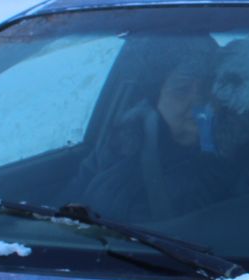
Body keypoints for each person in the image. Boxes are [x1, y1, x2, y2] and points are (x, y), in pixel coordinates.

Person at [77, 45, 233, 219]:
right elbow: (71, 204)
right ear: (156, 97)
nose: (197, 101)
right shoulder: (119, 144)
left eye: (207, 88)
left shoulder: (240, 158)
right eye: (181, 90)